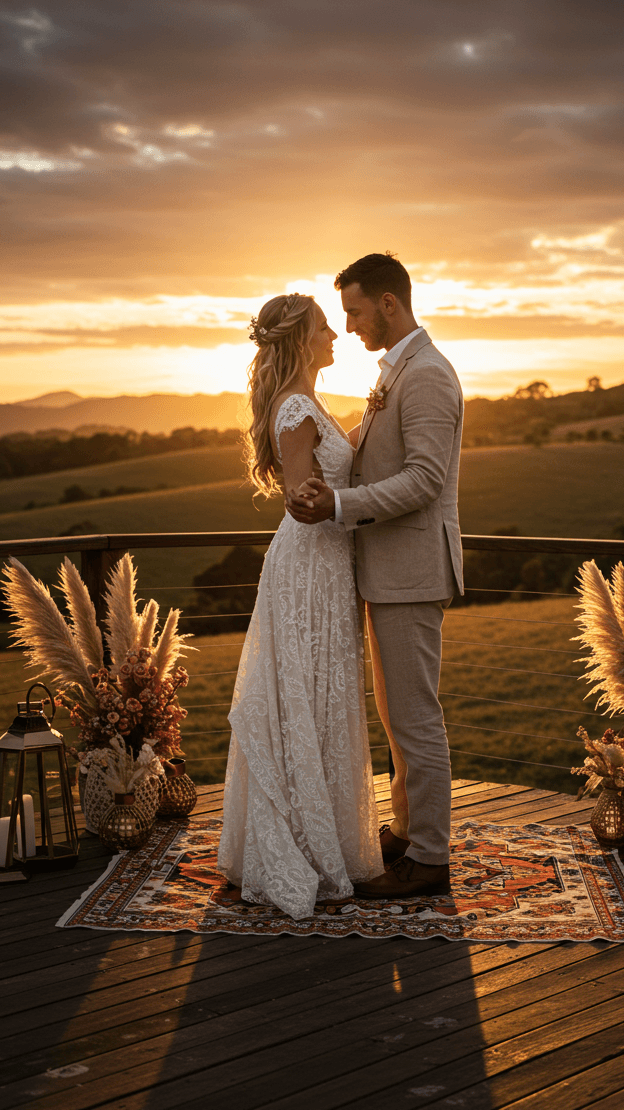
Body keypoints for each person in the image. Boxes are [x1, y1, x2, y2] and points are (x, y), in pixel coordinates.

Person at [288, 253, 464, 900]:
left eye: (356, 312)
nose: (352, 326)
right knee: (397, 719)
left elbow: (425, 480)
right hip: (386, 569)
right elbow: (371, 448)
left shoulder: (427, 377)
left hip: (413, 570)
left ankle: (432, 857)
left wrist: (338, 505)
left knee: (416, 719)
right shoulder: (398, 372)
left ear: (389, 304)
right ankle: (407, 828)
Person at [217, 292, 382, 919]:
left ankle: (329, 836)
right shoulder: (294, 407)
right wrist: (308, 492)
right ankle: (299, 847)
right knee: (306, 694)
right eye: (322, 327)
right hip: (309, 565)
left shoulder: (311, 404)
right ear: (299, 341)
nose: (335, 334)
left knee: (323, 692)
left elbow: (332, 466)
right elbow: (298, 490)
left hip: (327, 563)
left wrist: (368, 420)